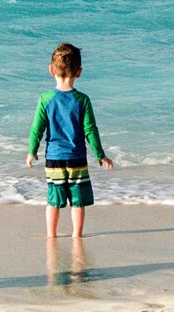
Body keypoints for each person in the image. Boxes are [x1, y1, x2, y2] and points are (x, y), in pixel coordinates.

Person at [27, 43, 114, 238]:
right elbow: (90, 130)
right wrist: (100, 155)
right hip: (77, 158)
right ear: (79, 72)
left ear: (51, 70)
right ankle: (77, 236)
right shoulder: (82, 100)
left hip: (54, 158)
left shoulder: (45, 98)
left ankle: (51, 235)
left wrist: (32, 151)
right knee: (78, 201)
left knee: (53, 200)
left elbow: (36, 128)